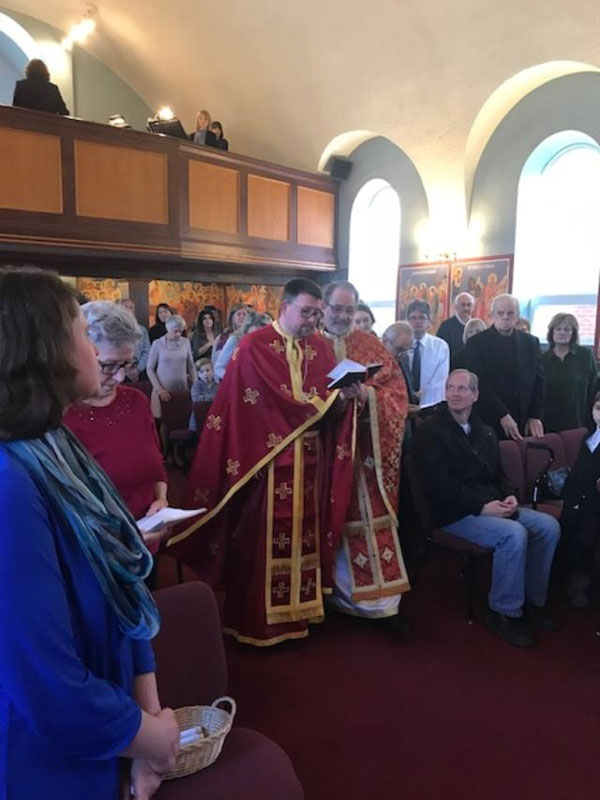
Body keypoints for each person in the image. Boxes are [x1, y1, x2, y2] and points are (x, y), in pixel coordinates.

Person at [0, 266, 179, 799]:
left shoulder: (56, 443)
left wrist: (147, 724)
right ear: (46, 349)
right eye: (81, 329)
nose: (92, 344)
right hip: (50, 761)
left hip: (112, 726)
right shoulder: (10, 481)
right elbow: (50, 687)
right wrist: (151, 737)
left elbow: (120, 581)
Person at [168, 278, 355, 646]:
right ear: (283, 307)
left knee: (306, 536)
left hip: (311, 463)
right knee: (261, 538)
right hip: (264, 462)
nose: (312, 321)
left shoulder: (320, 348)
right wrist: (319, 406)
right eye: (306, 312)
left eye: (317, 313)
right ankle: (257, 622)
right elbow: (254, 407)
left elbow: (329, 407)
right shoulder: (254, 346)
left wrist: (346, 399)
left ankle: (300, 614)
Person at [414, 369, 560, 647]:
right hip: (452, 514)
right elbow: (440, 487)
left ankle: (531, 600)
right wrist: (482, 507)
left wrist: (510, 496)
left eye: (462, 388)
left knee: (548, 526)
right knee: (513, 534)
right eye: (450, 388)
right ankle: (503, 611)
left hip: (490, 505)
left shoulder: (484, 429)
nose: (454, 394)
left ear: (475, 395)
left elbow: (499, 475)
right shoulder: (430, 432)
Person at [322, 281, 410, 624]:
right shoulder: (309, 345)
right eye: (337, 308)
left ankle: (380, 603)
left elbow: (397, 394)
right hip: (326, 452)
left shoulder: (369, 344)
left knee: (369, 518)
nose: (343, 316)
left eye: (349, 309)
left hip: (366, 456)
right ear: (324, 306)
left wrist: (367, 397)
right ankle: (332, 594)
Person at [63, 302, 169, 570]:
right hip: (94, 559)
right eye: (109, 365)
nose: (120, 377)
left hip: (146, 546)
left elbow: (157, 466)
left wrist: (161, 500)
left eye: (127, 364)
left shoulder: (136, 402)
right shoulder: (59, 416)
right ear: (79, 354)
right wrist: (120, 538)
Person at [464, 293, 544, 441]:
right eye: (500, 313)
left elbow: (538, 382)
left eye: (510, 313)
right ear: (492, 315)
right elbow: (480, 383)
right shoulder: (476, 344)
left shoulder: (531, 343)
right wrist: (502, 414)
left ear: (518, 315)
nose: (505, 317)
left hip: (523, 419)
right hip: (488, 419)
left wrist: (535, 415)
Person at [560, 393, 600, 607]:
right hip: (579, 498)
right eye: (597, 408)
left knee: (586, 535)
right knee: (568, 529)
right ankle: (568, 581)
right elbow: (577, 472)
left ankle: (580, 585)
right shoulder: (588, 437)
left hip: (596, 503)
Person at [541, 312, 597, 433]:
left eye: (567, 330)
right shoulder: (542, 359)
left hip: (579, 421)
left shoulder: (585, 356)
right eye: (558, 329)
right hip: (549, 423)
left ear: (573, 333)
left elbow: (594, 387)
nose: (562, 332)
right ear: (552, 332)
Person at [147, 314, 197, 421]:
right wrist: (159, 389)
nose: (178, 334)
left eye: (180, 331)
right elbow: (150, 369)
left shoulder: (186, 342)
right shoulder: (157, 344)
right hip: (162, 391)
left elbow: (191, 366)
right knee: (162, 424)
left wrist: (196, 383)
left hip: (181, 390)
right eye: (175, 331)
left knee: (181, 420)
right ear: (168, 329)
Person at [406, 299, 449, 408]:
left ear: (429, 322)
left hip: (431, 403)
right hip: (403, 402)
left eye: (422, 317)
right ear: (407, 321)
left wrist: (423, 394)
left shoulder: (440, 346)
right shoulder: (401, 345)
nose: (417, 321)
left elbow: (440, 378)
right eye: (413, 318)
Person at [214, 310, 271, 381]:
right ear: (246, 331)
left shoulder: (270, 343)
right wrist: (235, 379)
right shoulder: (235, 340)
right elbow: (219, 367)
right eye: (252, 335)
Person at [381, 321, 418, 406]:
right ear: (384, 341)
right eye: (399, 349)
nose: (402, 355)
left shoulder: (404, 358)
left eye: (407, 350)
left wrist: (413, 396)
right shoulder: (374, 363)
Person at [119, 297, 151, 380]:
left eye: (131, 307)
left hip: (138, 371)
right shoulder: (114, 329)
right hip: (118, 371)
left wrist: (138, 369)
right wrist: (123, 369)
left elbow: (147, 351)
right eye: (126, 307)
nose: (129, 309)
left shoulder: (142, 330)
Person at [436, 292, 474, 357]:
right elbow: (439, 350)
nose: (466, 308)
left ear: (473, 307)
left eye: (469, 305)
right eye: (463, 305)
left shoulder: (476, 325)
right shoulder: (446, 326)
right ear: (456, 307)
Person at [211, 302, 248, 368]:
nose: (242, 317)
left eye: (244, 314)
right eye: (238, 314)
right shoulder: (223, 338)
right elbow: (216, 360)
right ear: (232, 317)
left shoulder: (251, 336)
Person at [189, 358, 218, 432]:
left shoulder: (217, 386)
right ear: (198, 374)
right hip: (198, 422)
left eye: (208, 370)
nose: (205, 374)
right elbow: (196, 400)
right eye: (202, 372)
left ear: (213, 371)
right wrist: (213, 398)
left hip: (214, 419)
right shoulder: (196, 386)